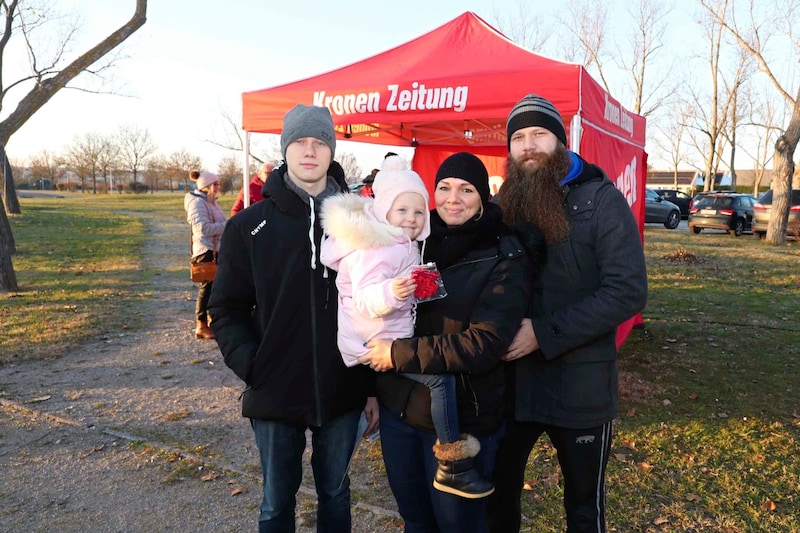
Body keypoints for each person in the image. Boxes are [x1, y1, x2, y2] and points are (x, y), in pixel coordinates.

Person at [207, 104, 376, 533]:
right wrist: (253, 364)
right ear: (285, 148)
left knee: (336, 495)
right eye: (300, 141)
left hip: (343, 386)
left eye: (320, 142)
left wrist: (373, 385)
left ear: (331, 150)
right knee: (275, 502)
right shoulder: (249, 226)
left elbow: (378, 305)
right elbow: (225, 307)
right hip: (274, 388)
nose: (309, 151)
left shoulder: (358, 222)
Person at [486, 94, 648, 533]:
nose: (528, 145)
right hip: (512, 388)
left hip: (580, 386)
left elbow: (627, 290)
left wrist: (543, 332)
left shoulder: (601, 201)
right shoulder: (503, 208)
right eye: (518, 137)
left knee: (582, 507)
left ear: (560, 140)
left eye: (539, 133)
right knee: (497, 497)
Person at [358, 152, 537, 531]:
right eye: (444, 187)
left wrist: (398, 354)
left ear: (483, 196)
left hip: (461, 421)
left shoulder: (505, 254)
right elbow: (374, 311)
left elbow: (484, 343)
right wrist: (372, 389)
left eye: (466, 189)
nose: (453, 198)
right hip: (400, 411)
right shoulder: (412, 239)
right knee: (415, 521)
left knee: (459, 526)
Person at [321, 157, 493, 499]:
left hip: (386, 335)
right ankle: (452, 461)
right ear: (384, 211)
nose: (412, 220)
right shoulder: (377, 249)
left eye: (418, 212)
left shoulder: (399, 242)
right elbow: (366, 299)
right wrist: (393, 292)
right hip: (373, 340)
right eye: (402, 211)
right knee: (439, 380)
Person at [184, 170, 226, 340]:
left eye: (218, 184)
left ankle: (211, 319)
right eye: (215, 184)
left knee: (215, 287)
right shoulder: (197, 203)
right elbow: (204, 229)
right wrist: (228, 225)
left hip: (215, 249)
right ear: (206, 186)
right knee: (207, 287)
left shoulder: (209, 201)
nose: (218, 187)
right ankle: (200, 324)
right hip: (206, 251)